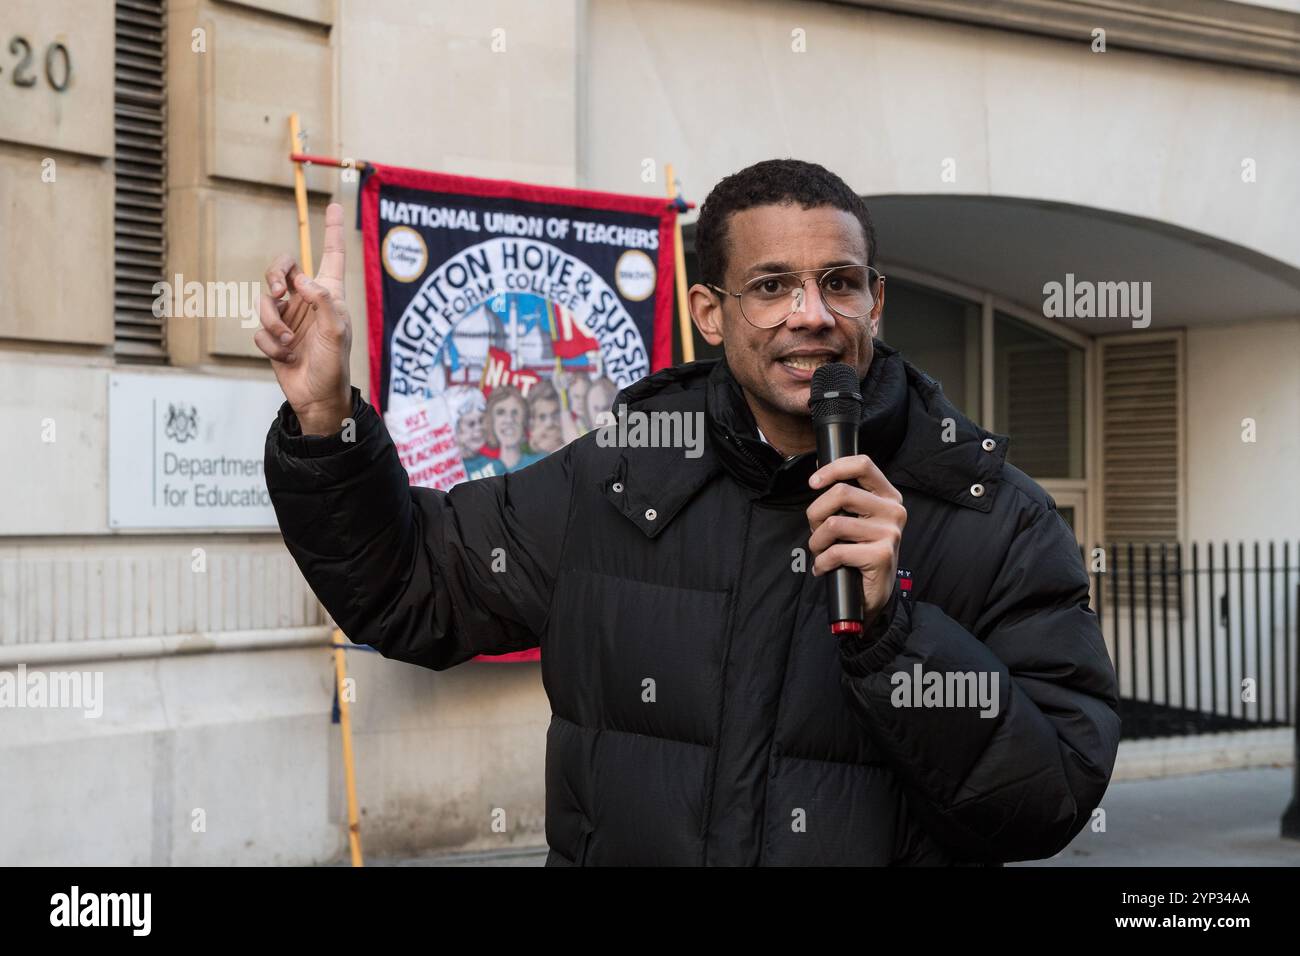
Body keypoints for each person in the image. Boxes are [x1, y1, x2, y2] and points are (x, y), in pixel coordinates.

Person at [256, 159, 1120, 866]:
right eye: (772, 285)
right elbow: (411, 587)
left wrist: (899, 630)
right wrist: (325, 422)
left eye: (839, 284)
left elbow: (1049, 799)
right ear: (709, 311)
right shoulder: (619, 478)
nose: (810, 315)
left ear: (874, 301)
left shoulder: (992, 514)